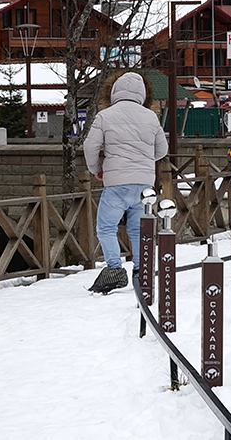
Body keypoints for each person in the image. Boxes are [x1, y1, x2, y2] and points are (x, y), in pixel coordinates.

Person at [84, 70, 168, 294]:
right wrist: (144, 161)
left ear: (115, 91)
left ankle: (114, 269)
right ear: (142, 93)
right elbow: (162, 149)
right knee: (138, 230)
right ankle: (141, 270)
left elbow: (90, 146)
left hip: (116, 183)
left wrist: (97, 169)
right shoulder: (151, 117)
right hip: (144, 185)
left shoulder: (105, 116)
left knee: (106, 228)